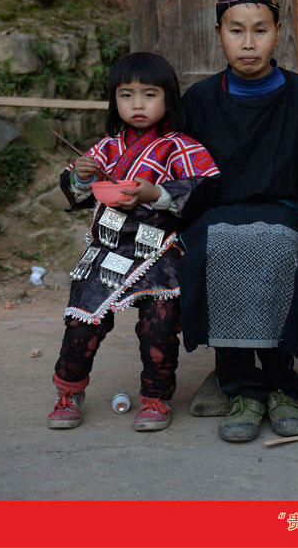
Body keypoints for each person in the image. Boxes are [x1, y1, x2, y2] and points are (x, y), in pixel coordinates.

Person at [178, 0, 298, 443]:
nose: (248, 43)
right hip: (214, 216)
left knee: (277, 245)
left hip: (285, 213)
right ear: (219, 34)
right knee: (218, 247)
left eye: (260, 30)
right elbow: (177, 167)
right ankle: (242, 387)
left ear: (278, 34)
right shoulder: (199, 100)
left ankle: (279, 383)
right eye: (236, 31)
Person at [47, 52, 220, 432]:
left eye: (149, 94)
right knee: (82, 320)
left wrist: (155, 193)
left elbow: (205, 187)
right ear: (114, 100)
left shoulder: (182, 147)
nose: (137, 104)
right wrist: (82, 176)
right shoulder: (106, 148)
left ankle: (156, 397)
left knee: (159, 324)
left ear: (169, 98)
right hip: (107, 246)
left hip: (158, 250)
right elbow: (75, 188)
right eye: (126, 95)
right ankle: (68, 392)